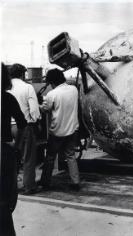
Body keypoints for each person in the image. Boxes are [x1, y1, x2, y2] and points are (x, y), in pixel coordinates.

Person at [39, 68, 80, 191]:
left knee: (50, 157)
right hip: (73, 128)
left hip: (57, 131)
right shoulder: (74, 89)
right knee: (71, 155)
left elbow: (45, 109)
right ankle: (75, 182)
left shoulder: (52, 94)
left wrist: (40, 103)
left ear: (52, 82)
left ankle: (45, 183)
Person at [1, 63, 27, 236]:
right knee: (5, 201)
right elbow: (22, 124)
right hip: (3, 150)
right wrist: (15, 146)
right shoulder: (7, 98)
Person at [8, 63, 41, 195]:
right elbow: (34, 109)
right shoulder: (27, 87)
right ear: (23, 74)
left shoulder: (5, 88)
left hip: (7, 127)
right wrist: (36, 121)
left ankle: (11, 186)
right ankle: (29, 187)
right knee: (28, 157)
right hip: (24, 126)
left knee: (11, 158)